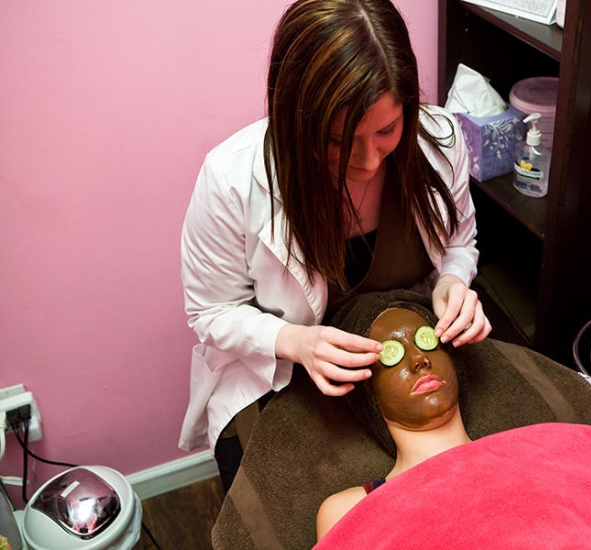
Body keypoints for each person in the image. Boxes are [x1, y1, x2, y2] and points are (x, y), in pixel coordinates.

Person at [178, 0, 491, 492]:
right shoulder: (232, 179)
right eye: (338, 142)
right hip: (289, 377)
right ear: (294, 122)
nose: (368, 161)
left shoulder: (440, 141)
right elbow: (210, 311)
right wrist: (298, 343)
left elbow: (459, 241)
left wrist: (453, 281)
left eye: (387, 130)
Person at [316, 299, 473, 540]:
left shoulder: (528, 453)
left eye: (426, 341)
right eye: (392, 355)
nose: (419, 359)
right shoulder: (345, 512)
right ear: (369, 389)